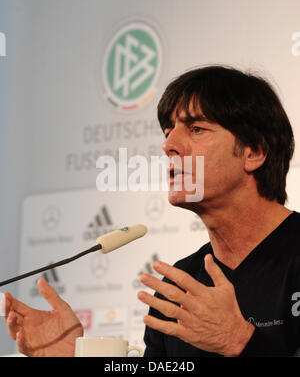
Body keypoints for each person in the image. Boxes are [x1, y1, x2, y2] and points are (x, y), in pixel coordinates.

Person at [2, 65, 299, 357]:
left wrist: (241, 342)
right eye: (168, 131)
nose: (169, 145)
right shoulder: (178, 287)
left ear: (254, 152)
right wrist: (76, 357)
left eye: (196, 129)